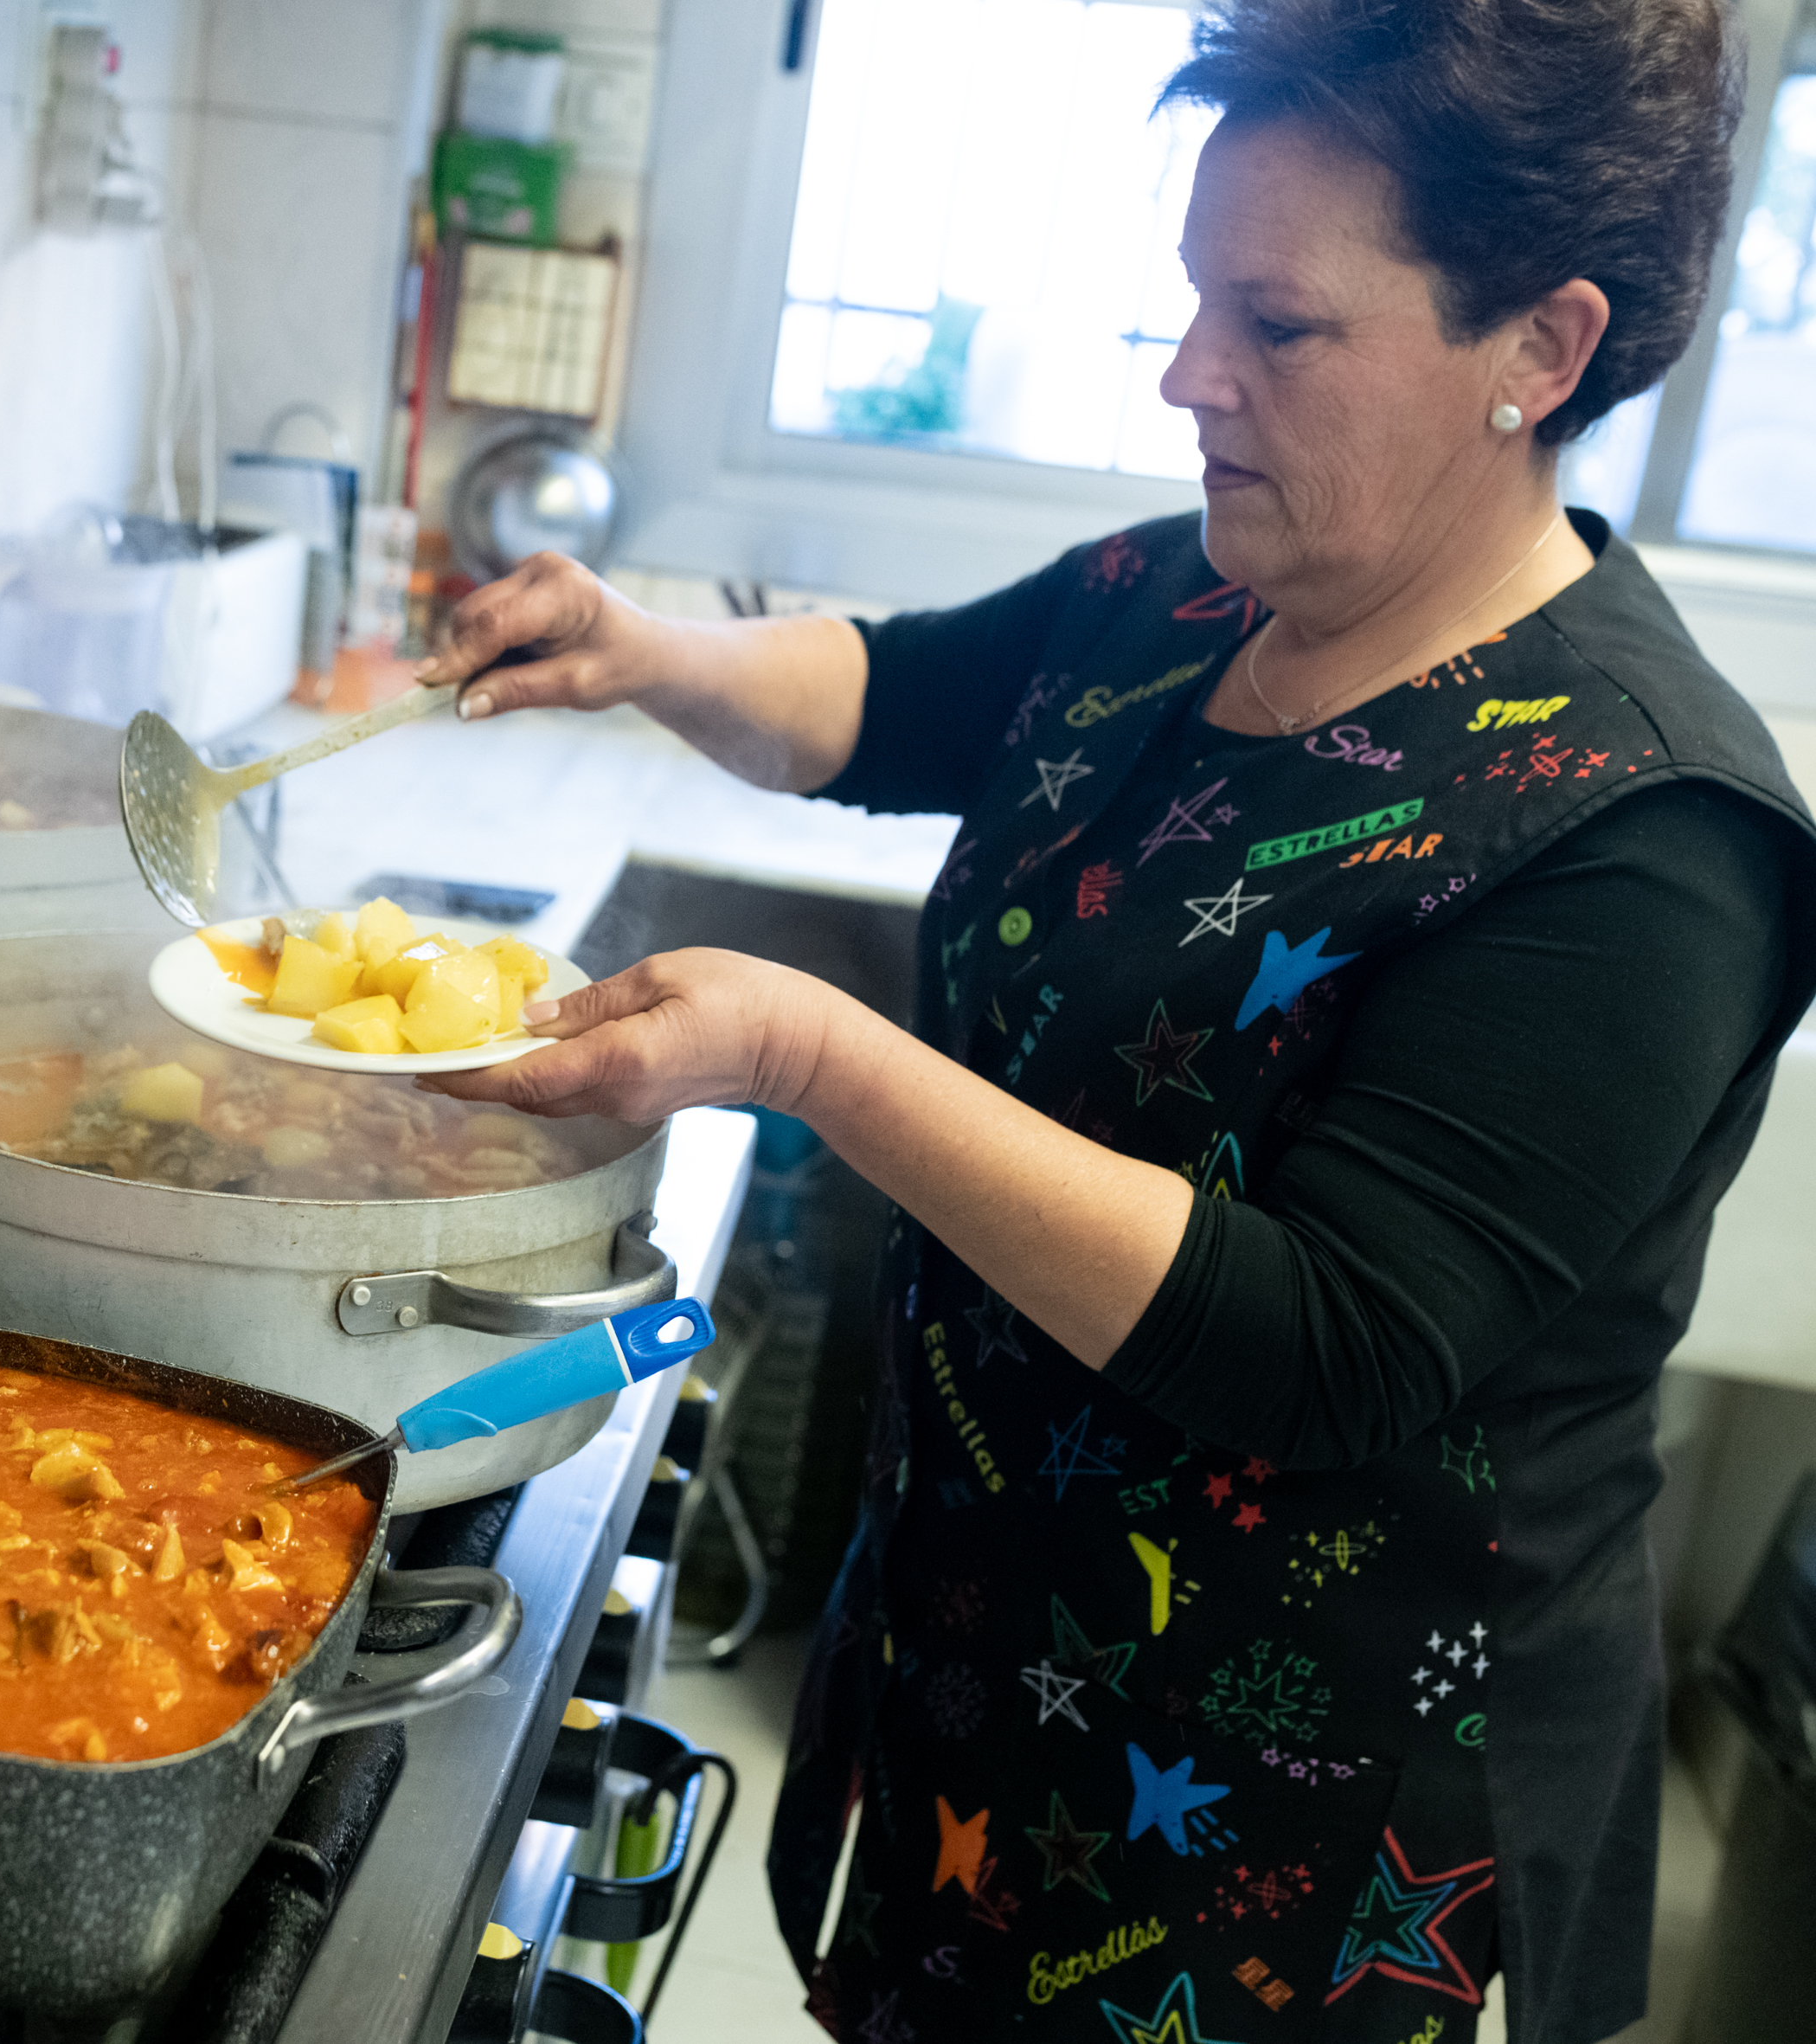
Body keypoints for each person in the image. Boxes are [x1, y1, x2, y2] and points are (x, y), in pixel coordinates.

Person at [419, 1, 1816, 2036]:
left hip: (1306, 1836)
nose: (1189, 379)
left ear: (1539, 349)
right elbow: (896, 694)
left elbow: (1324, 1341)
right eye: (1186, 302)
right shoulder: (1202, 584)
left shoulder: (1644, 833)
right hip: (995, 1680)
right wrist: (640, 647)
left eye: (1276, 324)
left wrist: (809, 1053)